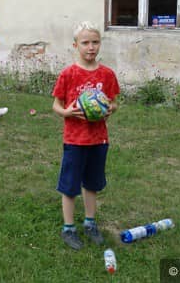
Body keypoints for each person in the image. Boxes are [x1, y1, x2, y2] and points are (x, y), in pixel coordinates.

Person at [52, 22, 119, 250]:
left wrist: (110, 109)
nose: (91, 47)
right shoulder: (68, 74)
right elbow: (56, 105)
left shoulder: (107, 74)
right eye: (85, 43)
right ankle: (68, 228)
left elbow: (114, 102)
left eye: (95, 42)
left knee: (92, 184)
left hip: (99, 139)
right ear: (76, 45)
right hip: (74, 140)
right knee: (70, 185)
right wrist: (67, 112)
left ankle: (90, 224)